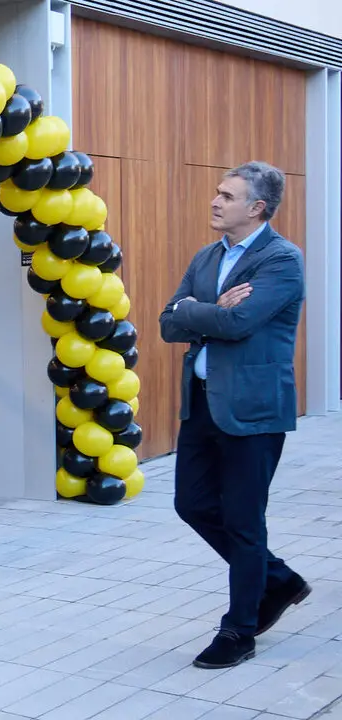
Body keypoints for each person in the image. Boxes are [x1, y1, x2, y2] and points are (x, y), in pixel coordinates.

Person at [159, 161, 311, 669]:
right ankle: (279, 580)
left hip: (253, 411)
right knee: (192, 504)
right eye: (217, 192)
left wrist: (198, 312)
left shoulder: (282, 260)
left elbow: (240, 320)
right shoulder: (207, 257)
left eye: (227, 195)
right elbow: (166, 322)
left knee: (245, 523)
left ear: (257, 208)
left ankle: (239, 630)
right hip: (202, 403)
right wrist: (208, 312)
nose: (215, 201)